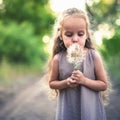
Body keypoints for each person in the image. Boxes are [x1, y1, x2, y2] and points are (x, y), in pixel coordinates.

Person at [48, 8, 108, 120]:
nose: (75, 39)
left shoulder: (93, 56)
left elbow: (103, 85)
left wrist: (84, 80)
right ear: (61, 36)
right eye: (69, 34)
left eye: (80, 34)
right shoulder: (58, 59)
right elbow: (52, 83)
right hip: (68, 112)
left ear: (86, 35)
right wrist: (66, 82)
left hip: (91, 113)